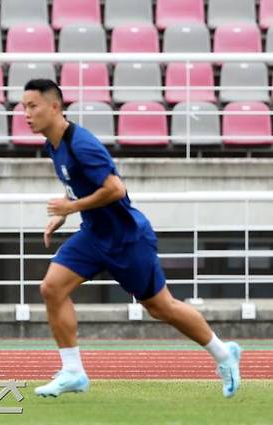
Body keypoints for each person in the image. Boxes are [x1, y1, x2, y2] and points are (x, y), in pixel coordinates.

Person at [21, 78, 241, 398]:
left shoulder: (82, 143)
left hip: (127, 239)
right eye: (23, 107)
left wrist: (71, 206)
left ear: (54, 107)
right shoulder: (52, 145)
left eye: (32, 106)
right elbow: (81, 185)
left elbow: (115, 189)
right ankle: (73, 372)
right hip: (93, 236)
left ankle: (224, 354)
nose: (26, 114)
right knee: (51, 288)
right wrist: (65, 212)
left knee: (161, 307)